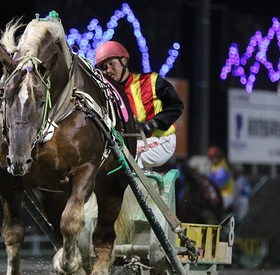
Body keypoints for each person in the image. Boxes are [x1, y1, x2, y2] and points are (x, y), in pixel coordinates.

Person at [95, 40, 184, 170]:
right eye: (104, 67)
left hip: (162, 140)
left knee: (124, 154)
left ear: (124, 61)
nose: (108, 70)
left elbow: (177, 106)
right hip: (134, 143)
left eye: (111, 64)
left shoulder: (151, 80)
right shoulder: (109, 94)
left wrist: (154, 123)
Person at [206, 146, 235, 213]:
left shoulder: (223, 167)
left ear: (219, 156)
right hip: (218, 193)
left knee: (214, 208)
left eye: (214, 157)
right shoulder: (214, 165)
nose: (213, 159)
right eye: (211, 157)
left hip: (227, 194)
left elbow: (217, 183)